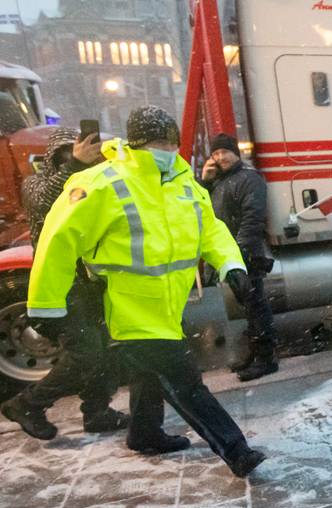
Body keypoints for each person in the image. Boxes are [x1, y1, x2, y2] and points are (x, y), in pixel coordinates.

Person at [26, 106, 266, 477]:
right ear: (136, 143)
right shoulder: (101, 183)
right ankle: (236, 451)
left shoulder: (183, 181)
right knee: (185, 382)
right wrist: (45, 305)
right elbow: (57, 241)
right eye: (158, 143)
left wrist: (231, 264)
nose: (166, 149)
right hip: (128, 310)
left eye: (170, 142)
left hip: (168, 308)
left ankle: (144, 434)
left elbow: (211, 230)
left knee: (148, 374)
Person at [0, 127, 128, 440]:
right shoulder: (36, 183)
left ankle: (97, 410)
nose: (76, 155)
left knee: (108, 346)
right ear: (54, 156)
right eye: (65, 152)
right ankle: (28, 404)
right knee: (84, 351)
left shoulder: (95, 178)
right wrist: (76, 164)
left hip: (92, 278)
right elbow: (46, 204)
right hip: (61, 282)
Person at [200, 133, 278, 381]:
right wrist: (205, 182)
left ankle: (266, 359)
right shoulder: (220, 182)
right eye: (216, 153)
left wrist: (239, 254)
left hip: (246, 256)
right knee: (250, 309)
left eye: (225, 152)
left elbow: (252, 219)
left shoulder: (249, 179)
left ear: (237, 153)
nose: (221, 157)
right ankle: (256, 355)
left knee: (257, 308)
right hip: (234, 257)